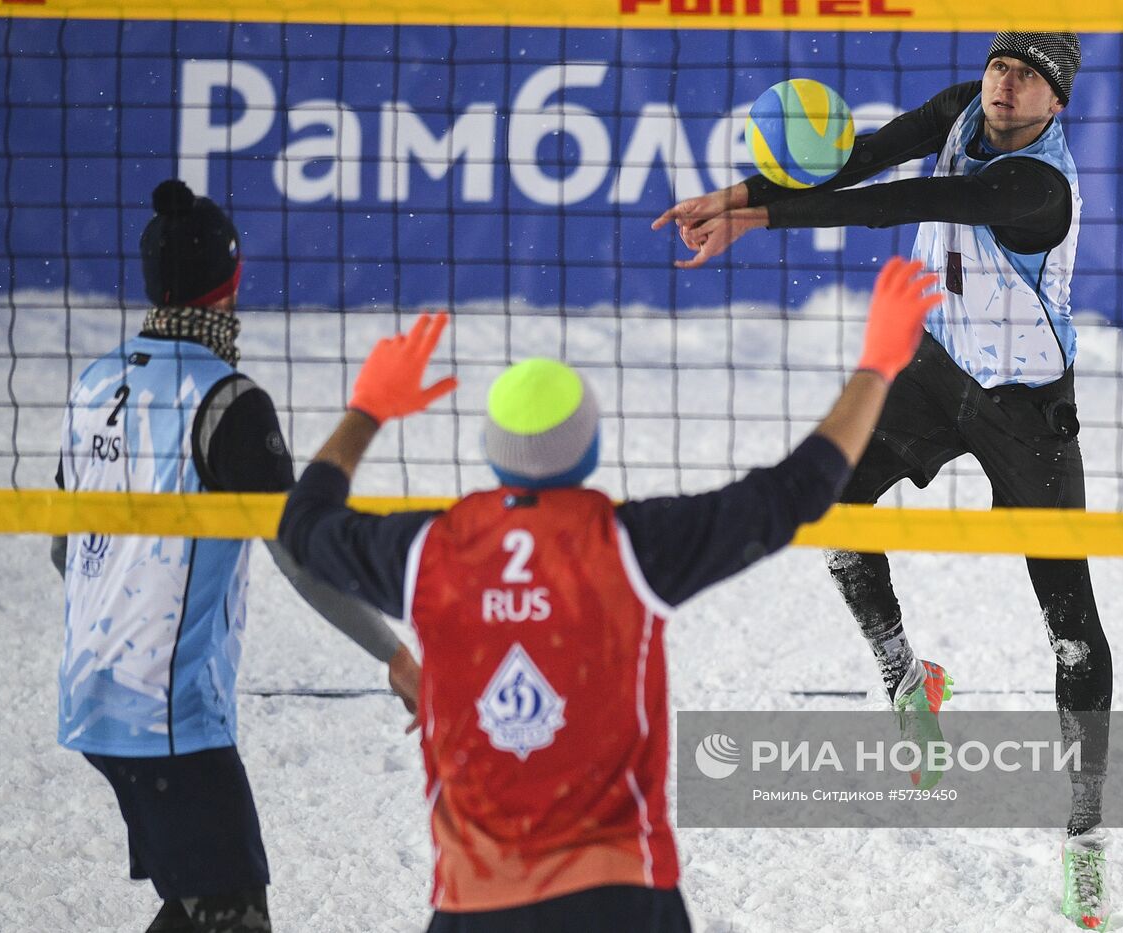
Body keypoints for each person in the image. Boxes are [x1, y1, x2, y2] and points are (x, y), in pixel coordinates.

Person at [276, 259, 941, 932]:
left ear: (491, 450)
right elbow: (796, 490)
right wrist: (878, 365)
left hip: (475, 905)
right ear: (590, 447)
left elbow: (301, 527)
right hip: (618, 899)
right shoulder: (628, 547)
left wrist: (368, 409)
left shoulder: (427, 553)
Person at [653, 31, 1112, 930]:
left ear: (1057, 103)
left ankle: (1085, 837)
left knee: (1073, 630)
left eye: (1027, 77)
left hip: (1027, 411)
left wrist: (761, 219)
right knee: (832, 506)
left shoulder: (1038, 187)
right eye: (999, 65)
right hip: (937, 372)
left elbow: (905, 200)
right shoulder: (961, 111)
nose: (1004, 83)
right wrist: (739, 195)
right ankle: (909, 680)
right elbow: (857, 160)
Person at [52, 179, 422, 933]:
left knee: (201, 902)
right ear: (231, 285)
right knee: (231, 908)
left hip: (90, 694)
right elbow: (305, 559)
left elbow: (63, 549)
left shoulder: (94, 381)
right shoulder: (228, 400)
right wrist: (395, 655)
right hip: (169, 716)